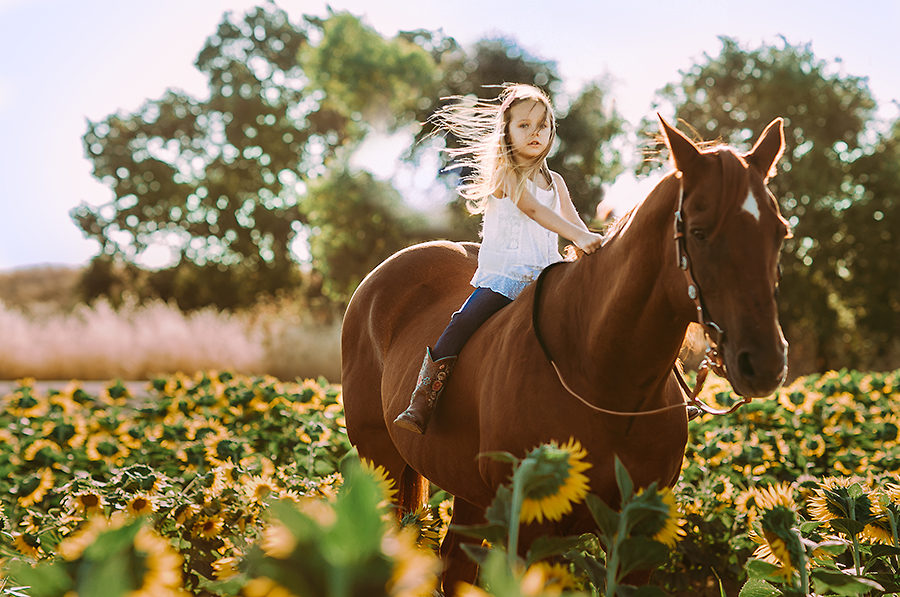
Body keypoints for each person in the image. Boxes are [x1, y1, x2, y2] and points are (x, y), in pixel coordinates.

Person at [393, 83, 604, 434]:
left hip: (546, 275)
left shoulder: (557, 181)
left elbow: (573, 222)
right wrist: (579, 236)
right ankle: (422, 401)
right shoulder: (507, 173)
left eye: (543, 125)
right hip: (505, 277)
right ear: (506, 131)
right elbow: (534, 210)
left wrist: (592, 243)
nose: (536, 132)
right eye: (524, 125)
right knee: (461, 323)